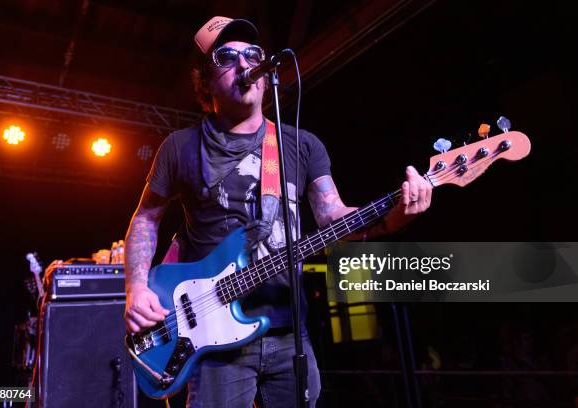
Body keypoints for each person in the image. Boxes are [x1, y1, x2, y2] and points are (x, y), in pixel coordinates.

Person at [123, 16, 433, 408]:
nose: (244, 64)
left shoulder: (301, 144)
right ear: (204, 79)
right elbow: (146, 218)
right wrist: (136, 287)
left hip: (290, 334)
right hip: (213, 340)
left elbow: (333, 219)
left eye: (252, 54)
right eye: (227, 56)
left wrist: (396, 215)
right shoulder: (180, 147)